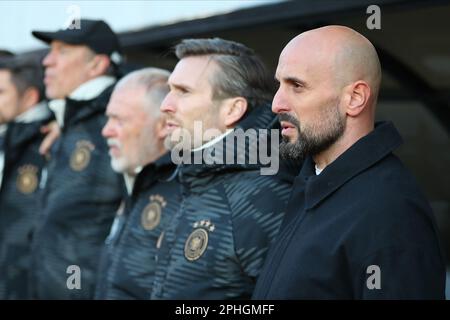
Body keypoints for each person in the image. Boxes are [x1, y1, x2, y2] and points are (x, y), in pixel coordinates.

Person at [252, 25, 446, 299]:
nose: (276, 103)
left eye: (297, 86)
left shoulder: (390, 212)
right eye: (279, 85)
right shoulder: (313, 182)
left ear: (355, 99)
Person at [151, 38, 298, 299]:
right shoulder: (196, 175)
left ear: (232, 109)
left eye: (183, 91)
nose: (166, 105)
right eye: (169, 90)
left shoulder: (265, 197)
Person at [29, 19, 124, 299]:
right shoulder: (69, 117)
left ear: (96, 65)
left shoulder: (121, 116)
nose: (47, 61)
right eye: (50, 51)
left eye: (63, 51)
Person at [95, 68, 180, 299]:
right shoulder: (132, 177)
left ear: (164, 125)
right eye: (108, 117)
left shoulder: (187, 193)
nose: (106, 130)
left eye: (119, 120)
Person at [0, 54, 52, 299]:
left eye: (1, 92)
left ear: (30, 97)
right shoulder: (9, 138)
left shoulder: (51, 141)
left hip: (28, 279)